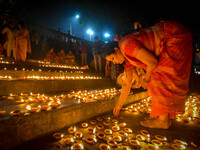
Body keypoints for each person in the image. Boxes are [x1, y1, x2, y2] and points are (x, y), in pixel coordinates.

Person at [105, 20, 193, 129]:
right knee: (158, 75)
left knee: (160, 75)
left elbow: (153, 62)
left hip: (174, 35)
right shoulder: (126, 57)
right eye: (111, 61)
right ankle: (165, 118)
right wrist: (119, 106)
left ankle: (163, 121)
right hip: (172, 36)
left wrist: (146, 80)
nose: (114, 62)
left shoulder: (126, 46)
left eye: (113, 58)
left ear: (116, 50)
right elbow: (127, 83)